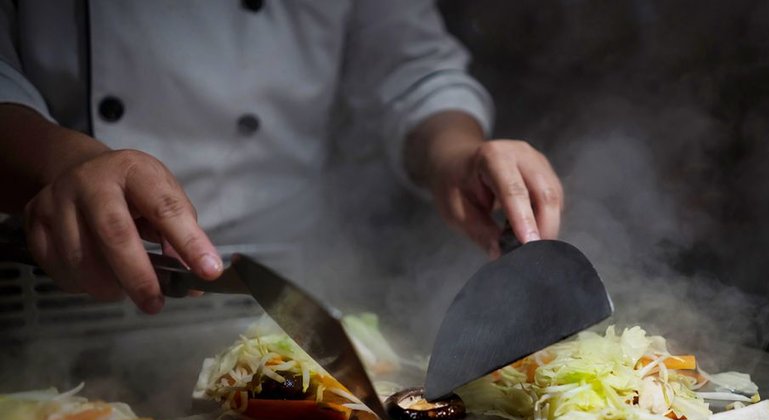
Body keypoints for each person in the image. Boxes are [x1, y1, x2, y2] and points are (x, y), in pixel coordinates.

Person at [0, 0, 564, 315]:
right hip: (68, 282)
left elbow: (412, 68)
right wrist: (60, 162)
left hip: (294, 288)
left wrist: (457, 153)